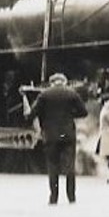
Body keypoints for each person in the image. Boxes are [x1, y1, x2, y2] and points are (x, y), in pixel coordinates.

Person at [28, 72, 87, 206]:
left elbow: (32, 114)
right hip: (68, 134)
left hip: (50, 135)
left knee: (52, 166)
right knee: (69, 166)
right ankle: (71, 197)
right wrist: (70, 114)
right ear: (64, 82)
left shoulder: (44, 95)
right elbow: (83, 112)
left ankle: (53, 198)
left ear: (51, 82)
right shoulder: (72, 93)